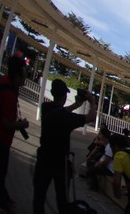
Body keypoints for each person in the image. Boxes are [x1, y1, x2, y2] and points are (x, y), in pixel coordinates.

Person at [32, 79, 97, 214]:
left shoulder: (45, 108)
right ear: (65, 96)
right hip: (60, 164)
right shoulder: (67, 118)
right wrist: (92, 102)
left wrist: (76, 105)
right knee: (62, 201)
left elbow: (60, 109)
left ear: (53, 93)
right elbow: (91, 117)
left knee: (39, 196)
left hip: (43, 159)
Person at [0, 55, 29, 213]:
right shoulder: (8, 93)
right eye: (24, 73)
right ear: (17, 75)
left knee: (1, 169)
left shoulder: (9, 84)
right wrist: (23, 124)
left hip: (0, 134)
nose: (26, 76)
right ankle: (0, 201)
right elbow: (7, 123)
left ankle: (3, 195)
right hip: (0, 136)